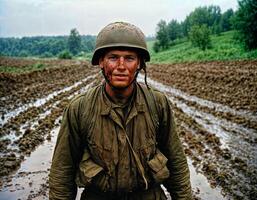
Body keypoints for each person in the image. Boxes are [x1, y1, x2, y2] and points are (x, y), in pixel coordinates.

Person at [49, 21, 192, 200]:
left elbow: (176, 161)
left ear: (139, 63)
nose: (121, 66)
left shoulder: (157, 103)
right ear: (101, 61)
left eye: (130, 58)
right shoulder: (80, 108)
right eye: (113, 57)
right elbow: (62, 170)